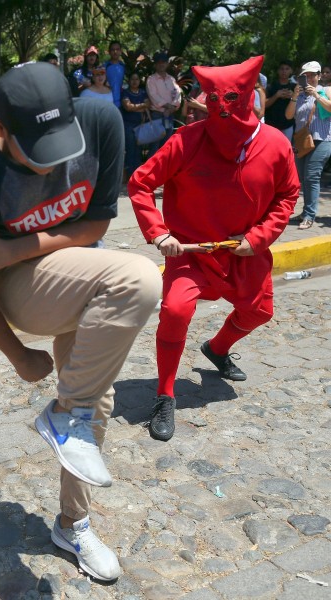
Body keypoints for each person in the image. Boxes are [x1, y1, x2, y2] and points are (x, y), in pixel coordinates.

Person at [0, 62, 161, 582]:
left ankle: (74, 523)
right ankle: (68, 421)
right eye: (36, 150)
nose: (54, 164)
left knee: (91, 402)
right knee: (137, 278)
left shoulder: (101, 121)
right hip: (17, 287)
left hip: (76, 265)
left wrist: (20, 243)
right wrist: (18, 354)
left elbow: (97, 222)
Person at [128, 56, 300, 442]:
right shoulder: (185, 140)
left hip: (244, 251)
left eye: (232, 99)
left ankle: (217, 348)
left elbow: (288, 195)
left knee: (259, 312)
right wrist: (158, 233)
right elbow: (140, 184)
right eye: (215, 99)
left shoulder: (275, 144)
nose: (223, 108)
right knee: (175, 310)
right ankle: (165, 394)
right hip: (191, 253)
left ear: (250, 97)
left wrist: (258, 238)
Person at [285, 60, 331, 230]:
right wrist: (295, 96)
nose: (309, 79)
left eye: (312, 75)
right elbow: (289, 116)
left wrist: (317, 96)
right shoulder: (299, 95)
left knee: (312, 176)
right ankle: (305, 212)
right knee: (304, 178)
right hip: (302, 141)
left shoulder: (326, 91)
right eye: (305, 76)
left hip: (322, 139)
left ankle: (310, 216)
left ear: (319, 76)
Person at [146, 51, 181, 154]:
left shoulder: (171, 79)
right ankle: (151, 169)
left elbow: (178, 94)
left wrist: (172, 107)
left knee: (166, 146)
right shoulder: (151, 79)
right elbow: (153, 96)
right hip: (157, 115)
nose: (161, 64)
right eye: (159, 62)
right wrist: (168, 106)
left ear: (167, 64)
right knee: (154, 147)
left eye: (163, 62)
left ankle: (163, 169)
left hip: (169, 115)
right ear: (155, 64)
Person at [120, 71, 150, 177]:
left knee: (138, 150)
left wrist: (134, 107)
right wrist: (141, 107)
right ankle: (128, 174)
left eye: (136, 79)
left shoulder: (143, 92)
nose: (134, 81)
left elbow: (148, 104)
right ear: (129, 81)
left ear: (139, 81)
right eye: (132, 79)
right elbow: (127, 107)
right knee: (130, 149)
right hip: (128, 124)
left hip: (141, 125)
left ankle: (137, 174)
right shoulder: (125, 92)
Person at [265, 60, 296, 141]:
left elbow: (302, 104)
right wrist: (276, 95)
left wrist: (293, 96)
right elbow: (264, 104)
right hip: (271, 125)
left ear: (291, 71)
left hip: (288, 125)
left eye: (287, 69)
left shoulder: (295, 87)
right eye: (281, 69)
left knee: (286, 150)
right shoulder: (271, 86)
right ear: (278, 71)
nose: (284, 71)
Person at [104, 41, 125, 107]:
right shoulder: (105, 66)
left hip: (121, 101)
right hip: (108, 100)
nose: (115, 52)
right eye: (113, 50)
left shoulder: (123, 66)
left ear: (120, 51)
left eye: (117, 49)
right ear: (109, 52)